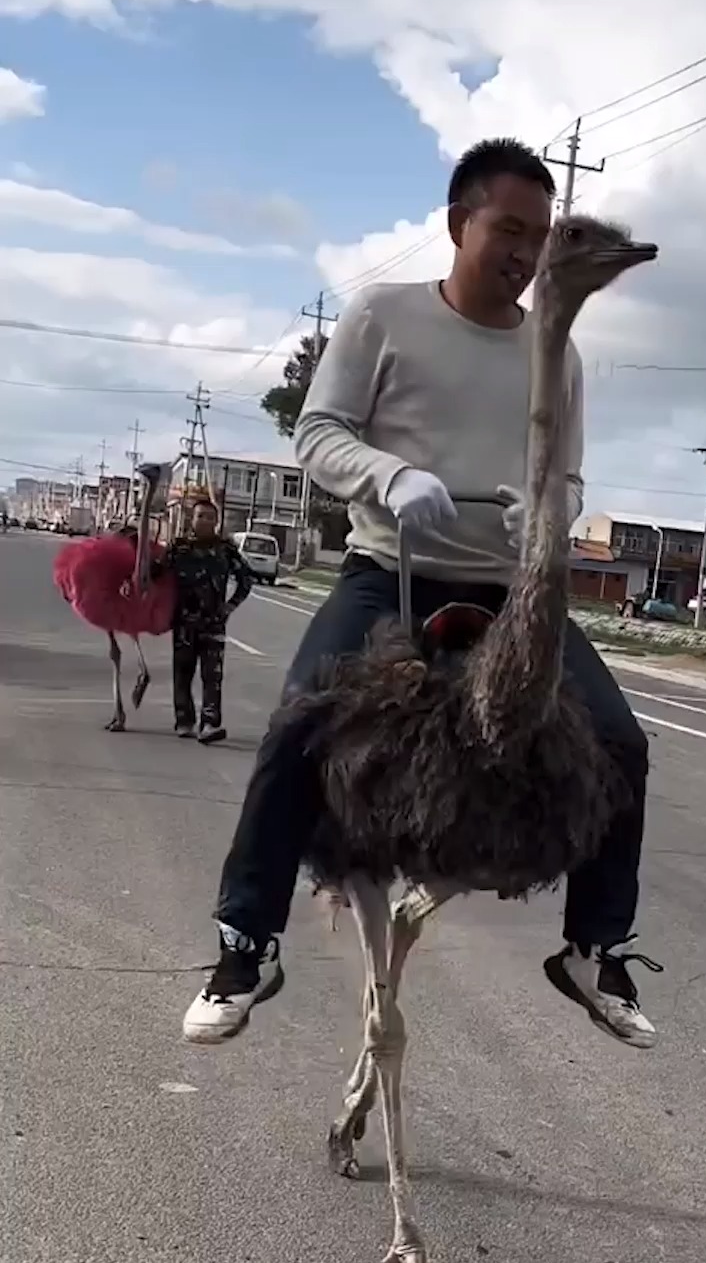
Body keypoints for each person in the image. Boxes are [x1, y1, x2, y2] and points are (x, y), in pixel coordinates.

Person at [182, 136, 659, 1049]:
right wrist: (386, 477)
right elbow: (318, 433)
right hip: (390, 569)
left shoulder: (557, 352)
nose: (523, 253)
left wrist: (547, 517)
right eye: (508, 230)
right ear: (458, 223)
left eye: (538, 237)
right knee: (298, 722)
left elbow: (571, 478)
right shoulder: (384, 318)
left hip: (511, 589)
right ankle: (248, 941)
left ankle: (598, 947)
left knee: (620, 742)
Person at [162, 497, 253, 743]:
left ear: (216, 521)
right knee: (183, 673)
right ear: (192, 519)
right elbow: (156, 574)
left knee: (213, 675)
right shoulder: (178, 548)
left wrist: (230, 606)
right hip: (184, 623)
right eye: (200, 515)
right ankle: (184, 721)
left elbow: (246, 580)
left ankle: (210, 724)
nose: (205, 521)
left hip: (214, 623)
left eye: (210, 517)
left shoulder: (225, 550)